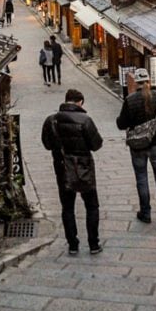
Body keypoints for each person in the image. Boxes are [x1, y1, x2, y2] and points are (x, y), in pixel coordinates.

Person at [41, 89, 103, 255]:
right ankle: (93, 244)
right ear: (80, 102)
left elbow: (47, 144)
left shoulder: (51, 120)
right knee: (91, 206)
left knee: (67, 207)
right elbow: (96, 145)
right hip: (84, 168)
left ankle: (73, 244)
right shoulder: (86, 120)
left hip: (62, 168)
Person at [117, 68, 156, 222]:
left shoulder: (130, 100)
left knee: (141, 177)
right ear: (149, 80)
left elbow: (121, 124)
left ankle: (146, 212)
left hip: (138, 146)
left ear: (136, 82)